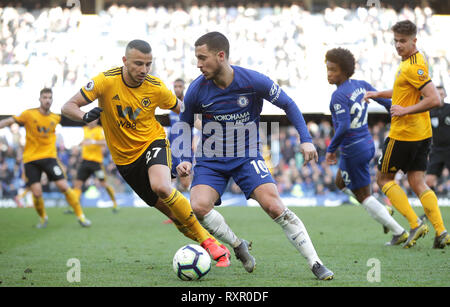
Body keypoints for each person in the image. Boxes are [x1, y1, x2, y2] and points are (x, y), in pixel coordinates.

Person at [176, 31, 334, 280]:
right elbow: (184, 124)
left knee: (274, 206)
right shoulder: (196, 90)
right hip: (211, 158)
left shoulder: (252, 81)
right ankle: (238, 245)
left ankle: (315, 263)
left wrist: (305, 139)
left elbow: (289, 104)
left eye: (202, 58)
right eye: (196, 58)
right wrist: (183, 158)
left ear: (220, 56)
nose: (198, 64)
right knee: (198, 206)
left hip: (246, 155)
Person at [61, 39, 231, 266]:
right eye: (138, 64)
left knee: (161, 187)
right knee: (174, 217)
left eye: (148, 64)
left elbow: (183, 110)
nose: (144, 70)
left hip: (153, 142)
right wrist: (84, 116)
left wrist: (213, 132)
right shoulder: (106, 80)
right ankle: (210, 241)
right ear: (125, 61)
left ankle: (209, 242)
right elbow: (68, 106)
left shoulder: (155, 86)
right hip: (125, 161)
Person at [364, 20, 449, 249]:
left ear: (414, 41)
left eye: (403, 41)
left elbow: (435, 99)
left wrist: (404, 110)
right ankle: (441, 231)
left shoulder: (413, 66)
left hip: (404, 134)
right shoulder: (413, 62)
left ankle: (414, 224)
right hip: (422, 134)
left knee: (383, 179)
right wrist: (377, 93)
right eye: (396, 41)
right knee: (417, 181)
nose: (398, 45)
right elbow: (403, 90)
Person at [324, 47, 407, 246]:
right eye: (327, 69)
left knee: (363, 197)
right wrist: (397, 115)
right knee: (340, 182)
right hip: (366, 143)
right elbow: (387, 103)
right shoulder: (361, 85)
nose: (329, 73)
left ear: (344, 71)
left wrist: (330, 150)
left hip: (352, 149)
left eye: (333, 70)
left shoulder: (338, 96)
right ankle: (380, 209)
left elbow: (343, 126)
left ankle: (399, 231)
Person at [0, 88, 91, 228]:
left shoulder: (56, 118)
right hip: (31, 159)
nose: (47, 100)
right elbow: (9, 121)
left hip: (49, 157)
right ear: (40, 99)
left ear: (52, 100)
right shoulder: (28, 114)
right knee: (36, 193)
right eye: (45, 97)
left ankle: (81, 216)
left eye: (49, 97)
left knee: (64, 186)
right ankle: (43, 218)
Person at [72, 118, 119, 213]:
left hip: (96, 163)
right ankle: (74, 207)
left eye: (93, 120)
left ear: (97, 121)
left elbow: (104, 142)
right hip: (85, 162)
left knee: (103, 184)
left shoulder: (99, 130)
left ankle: (114, 203)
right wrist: (79, 145)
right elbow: (80, 142)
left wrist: (93, 142)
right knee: (77, 184)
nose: (91, 121)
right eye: (89, 120)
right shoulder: (84, 129)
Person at [425, 86, 450, 191]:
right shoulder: (429, 111)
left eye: (441, 94)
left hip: (449, 148)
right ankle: (433, 204)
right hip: (436, 150)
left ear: (445, 95)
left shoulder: (449, 108)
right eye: (437, 94)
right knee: (428, 181)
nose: (440, 96)